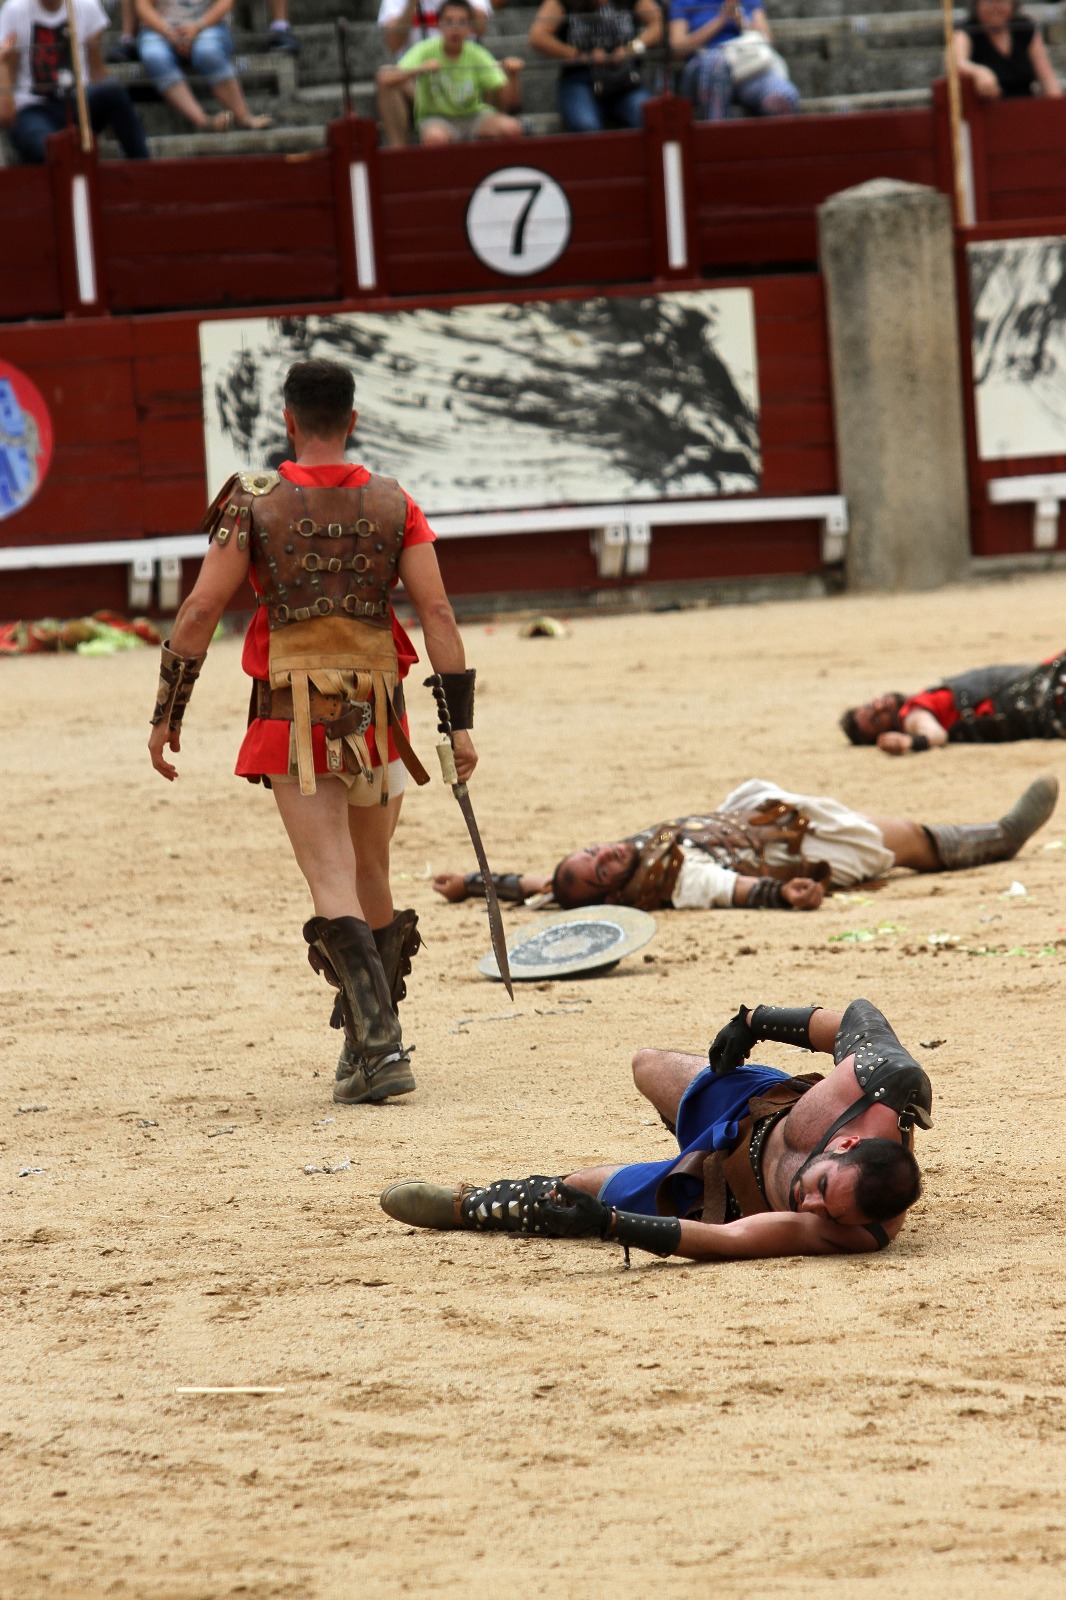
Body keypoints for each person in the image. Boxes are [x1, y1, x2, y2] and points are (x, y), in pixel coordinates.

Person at [147, 358, 479, 1108]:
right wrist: (457, 726)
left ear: (290, 421)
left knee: (331, 879)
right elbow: (440, 616)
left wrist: (169, 710)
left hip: (295, 707)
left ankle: (381, 1047)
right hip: (380, 708)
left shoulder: (252, 503)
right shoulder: (395, 502)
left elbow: (200, 611)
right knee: (371, 877)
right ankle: (367, 1049)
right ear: (352, 421)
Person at [381, 997, 928, 1261]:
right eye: (825, 1191)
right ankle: (687, 1130)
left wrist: (618, 1224)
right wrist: (754, 1022)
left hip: (728, 1192)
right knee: (647, 1063)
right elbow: (859, 1019)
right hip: (758, 1106)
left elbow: (731, 1239)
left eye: (828, 1216)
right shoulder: (882, 1083)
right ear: (848, 1142)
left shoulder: (857, 1231)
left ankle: (471, 1204)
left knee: (580, 1190)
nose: (811, 1208)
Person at [432, 774, 1058, 912]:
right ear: (612, 893)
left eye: (592, 851)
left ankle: (988, 836)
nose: (604, 856)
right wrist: (787, 894)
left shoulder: (600, 871)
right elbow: (735, 890)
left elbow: (540, 886)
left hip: (762, 819)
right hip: (801, 849)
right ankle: (998, 840)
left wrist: (471, 884)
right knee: (907, 841)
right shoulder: (674, 880)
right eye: (598, 870)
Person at [0, 0, 149, 161]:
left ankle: (144, 170)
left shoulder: (87, 6)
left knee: (113, 91)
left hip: (79, 101)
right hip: (33, 108)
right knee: (46, 148)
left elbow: (96, 70)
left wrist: (113, 115)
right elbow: (10, 76)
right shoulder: (14, 10)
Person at [842, 650, 1066, 753]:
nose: (880, 707)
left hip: (1034, 688)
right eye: (876, 719)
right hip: (1031, 703)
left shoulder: (922, 698)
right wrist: (909, 742)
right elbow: (936, 736)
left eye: (872, 705)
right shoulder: (911, 715)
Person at [377, 0, 521, 146]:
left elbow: (481, 27)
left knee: (509, 123)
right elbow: (392, 48)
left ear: (468, 27)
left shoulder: (475, 53)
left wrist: (513, 75)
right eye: (449, 22)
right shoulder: (426, 50)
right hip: (424, 95)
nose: (455, 29)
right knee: (388, 74)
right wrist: (420, 69)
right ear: (438, 25)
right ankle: (398, 153)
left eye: (462, 22)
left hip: (472, 106)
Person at [133, 0, 272, 133]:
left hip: (209, 25)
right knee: (154, 56)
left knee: (208, 51)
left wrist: (198, 27)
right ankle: (204, 121)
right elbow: (143, 6)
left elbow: (225, 2)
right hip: (159, 29)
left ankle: (243, 116)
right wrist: (168, 32)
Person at [528, 0, 662, 134]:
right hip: (580, 79)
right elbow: (537, 37)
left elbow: (659, 23)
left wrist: (631, 48)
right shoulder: (562, 3)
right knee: (586, 127)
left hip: (626, 81)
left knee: (652, 120)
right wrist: (581, 56)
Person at [669, 0, 798, 122]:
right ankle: (718, 138)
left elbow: (766, 39)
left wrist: (741, 20)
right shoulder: (683, 1)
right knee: (716, 63)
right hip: (702, 68)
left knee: (782, 96)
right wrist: (721, 20)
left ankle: (776, 144)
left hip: (745, 68)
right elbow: (678, 49)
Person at [952, 0, 1061, 101]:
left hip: (1024, 109)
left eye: (1001, 1)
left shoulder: (1024, 29)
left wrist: (1057, 110)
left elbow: (1048, 80)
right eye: (989, 2)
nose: (995, 8)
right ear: (976, 4)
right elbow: (956, 63)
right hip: (984, 113)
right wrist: (978, 72)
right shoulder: (966, 31)